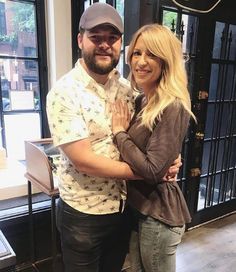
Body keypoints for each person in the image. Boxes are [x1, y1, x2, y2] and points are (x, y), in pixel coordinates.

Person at [47, 3, 181, 272]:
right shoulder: (64, 92)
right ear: (80, 40)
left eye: (112, 38)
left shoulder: (128, 89)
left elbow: (151, 136)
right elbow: (84, 161)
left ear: (121, 43)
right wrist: (151, 171)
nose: (105, 45)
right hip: (84, 214)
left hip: (124, 209)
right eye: (96, 38)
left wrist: (171, 157)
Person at [111, 24, 196, 272]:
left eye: (151, 54)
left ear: (166, 61)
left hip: (159, 215)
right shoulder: (142, 100)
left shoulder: (173, 106)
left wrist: (119, 133)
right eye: (137, 53)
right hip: (140, 208)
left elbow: (152, 170)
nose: (141, 62)